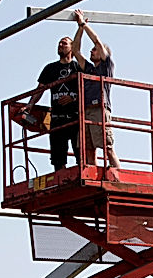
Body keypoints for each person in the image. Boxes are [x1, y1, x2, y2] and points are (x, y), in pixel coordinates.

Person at [71, 9, 121, 172]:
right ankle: (92, 173)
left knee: (107, 146)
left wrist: (84, 25)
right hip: (86, 111)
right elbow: (76, 51)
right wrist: (79, 28)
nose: (91, 51)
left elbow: (97, 41)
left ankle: (117, 172)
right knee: (88, 149)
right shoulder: (90, 69)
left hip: (100, 108)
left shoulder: (106, 66)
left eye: (94, 50)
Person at [34, 34, 82, 171]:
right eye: (59, 43)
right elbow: (40, 90)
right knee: (57, 159)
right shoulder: (50, 68)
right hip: (57, 119)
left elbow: (88, 90)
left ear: (72, 48)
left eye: (64, 43)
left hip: (75, 118)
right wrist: (29, 106)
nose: (60, 45)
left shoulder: (78, 67)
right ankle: (61, 181)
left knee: (81, 156)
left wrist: (74, 98)